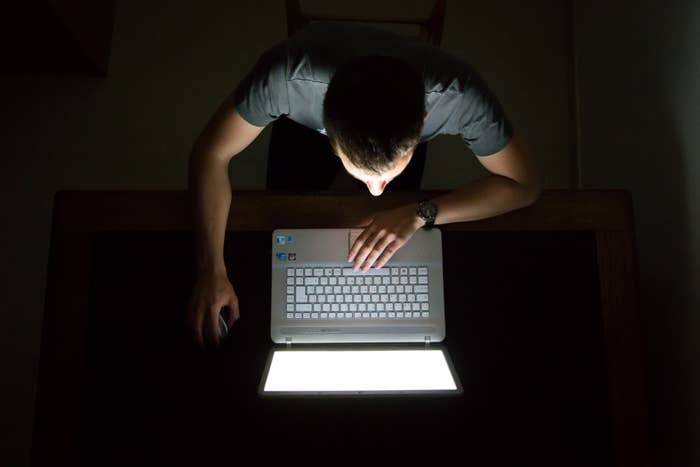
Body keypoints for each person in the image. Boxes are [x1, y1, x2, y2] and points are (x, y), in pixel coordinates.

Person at [187, 22, 541, 345]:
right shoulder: (285, 79)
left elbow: (524, 185)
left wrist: (422, 214)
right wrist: (212, 269)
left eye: (387, 173)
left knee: (389, 229)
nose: (376, 190)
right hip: (302, 121)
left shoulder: (460, 95)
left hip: (405, 104)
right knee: (290, 222)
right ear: (330, 135)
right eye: (365, 175)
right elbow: (211, 153)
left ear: (423, 121)